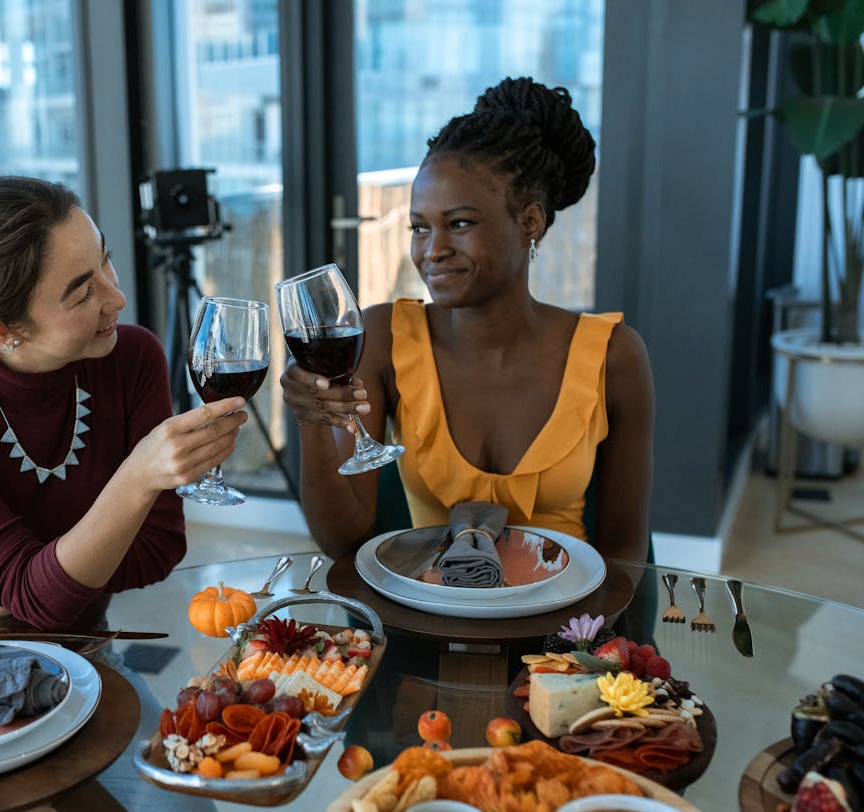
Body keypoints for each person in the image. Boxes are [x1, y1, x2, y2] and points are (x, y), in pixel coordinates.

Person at [0, 175, 236, 812]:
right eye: (81, 289)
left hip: (84, 658)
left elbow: (158, 549)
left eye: (102, 259)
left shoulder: (129, 358)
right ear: (3, 329)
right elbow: (42, 593)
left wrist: (13, 584)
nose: (117, 295)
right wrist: (134, 479)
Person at [280, 77, 654, 565]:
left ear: (530, 223)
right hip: (427, 620)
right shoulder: (384, 341)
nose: (432, 251)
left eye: (460, 223)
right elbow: (344, 541)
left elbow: (625, 552)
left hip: (567, 629)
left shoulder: (614, 355)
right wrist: (313, 422)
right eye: (420, 227)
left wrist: (586, 643)